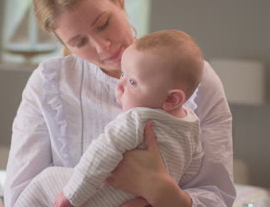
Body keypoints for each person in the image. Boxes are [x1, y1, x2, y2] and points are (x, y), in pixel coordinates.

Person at [4, 0, 236, 207]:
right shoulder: (49, 83)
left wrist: (161, 191)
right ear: (64, 44)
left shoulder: (195, 76)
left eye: (103, 24)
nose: (103, 46)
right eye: (79, 43)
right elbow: (20, 196)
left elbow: (218, 196)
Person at [15, 29, 204, 207]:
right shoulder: (191, 124)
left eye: (132, 82)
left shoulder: (136, 118)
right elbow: (192, 168)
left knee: (45, 179)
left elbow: (100, 154)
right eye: (123, 74)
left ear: (172, 98)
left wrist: (71, 196)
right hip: (143, 200)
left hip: (102, 196)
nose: (119, 85)